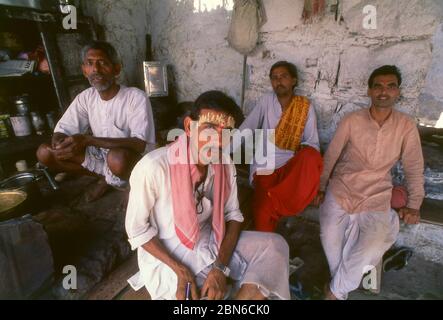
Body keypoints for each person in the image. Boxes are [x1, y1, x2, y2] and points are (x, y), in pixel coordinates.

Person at [125, 90, 290, 300]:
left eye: (226, 131)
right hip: (169, 258)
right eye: (209, 128)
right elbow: (137, 231)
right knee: (195, 296)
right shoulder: (153, 167)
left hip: (212, 242)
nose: (217, 140)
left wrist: (220, 268)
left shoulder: (224, 164)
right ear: (188, 126)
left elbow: (233, 216)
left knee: (276, 246)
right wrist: (180, 271)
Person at [312, 65, 425, 300]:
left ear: (397, 92)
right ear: (369, 91)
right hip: (341, 189)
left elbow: (413, 165)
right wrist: (321, 187)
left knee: (369, 250)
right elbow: (331, 155)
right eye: (378, 86)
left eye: (390, 86)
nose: (384, 91)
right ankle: (339, 288)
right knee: (334, 249)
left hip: (376, 194)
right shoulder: (352, 120)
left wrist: (414, 204)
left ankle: (333, 293)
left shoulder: (405, 126)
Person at [36, 41, 156, 201]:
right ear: (84, 70)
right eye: (90, 64)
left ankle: (133, 186)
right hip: (102, 157)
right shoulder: (86, 97)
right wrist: (60, 144)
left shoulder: (135, 97)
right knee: (45, 153)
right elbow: (61, 130)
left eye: (103, 63)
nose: (96, 70)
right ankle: (105, 179)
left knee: (117, 158)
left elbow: (139, 144)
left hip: (133, 160)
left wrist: (88, 140)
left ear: (116, 69)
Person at [237, 61, 323, 232]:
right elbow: (248, 127)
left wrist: (295, 144)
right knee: (262, 213)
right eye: (274, 78)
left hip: (290, 168)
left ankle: (275, 199)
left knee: (311, 155)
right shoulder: (267, 101)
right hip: (265, 166)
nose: (279, 81)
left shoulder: (304, 106)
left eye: (283, 76)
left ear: (294, 81)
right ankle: (273, 206)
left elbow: (312, 143)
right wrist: (224, 151)